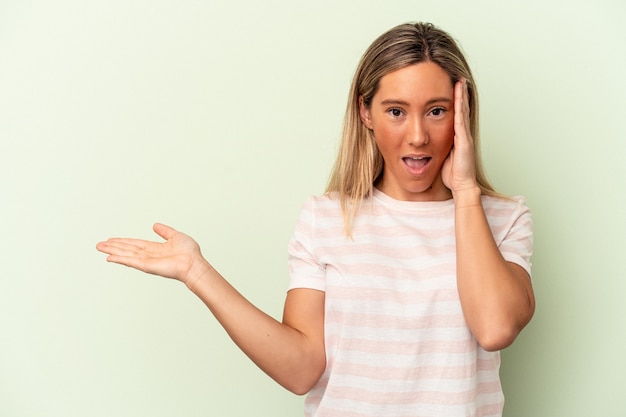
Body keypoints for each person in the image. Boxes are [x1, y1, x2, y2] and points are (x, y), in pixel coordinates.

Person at [97, 22, 534, 417]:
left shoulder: (502, 218)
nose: (417, 134)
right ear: (366, 113)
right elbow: (302, 369)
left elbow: (495, 328)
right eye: (396, 111)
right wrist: (197, 272)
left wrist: (466, 193)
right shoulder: (326, 218)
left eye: (436, 110)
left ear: (463, 114)